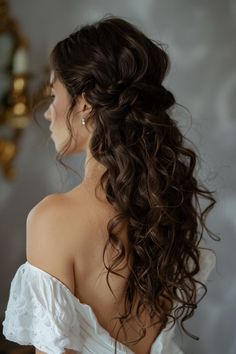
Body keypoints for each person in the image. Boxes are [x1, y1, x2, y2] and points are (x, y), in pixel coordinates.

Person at [2, 15, 218, 354]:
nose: (47, 112)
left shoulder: (53, 219)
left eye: (53, 94)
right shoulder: (166, 209)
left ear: (85, 103)